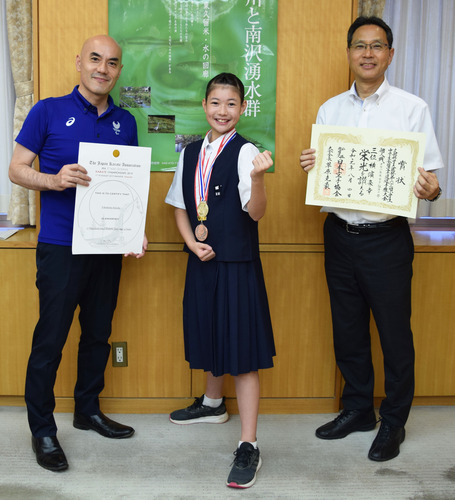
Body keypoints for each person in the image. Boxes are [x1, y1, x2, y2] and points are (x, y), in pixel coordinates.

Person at [300, 16, 444, 462]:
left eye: (376, 46)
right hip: (339, 234)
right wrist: (314, 164)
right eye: (359, 46)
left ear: (390, 54)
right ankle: (358, 409)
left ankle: (394, 421)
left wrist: (430, 190)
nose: (367, 53)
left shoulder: (412, 107)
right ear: (349, 53)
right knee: (348, 329)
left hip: (386, 239)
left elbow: (432, 179)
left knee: (394, 333)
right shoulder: (330, 110)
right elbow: (328, 169)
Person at [9, 35, 147, 472]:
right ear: (79, 63)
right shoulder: (47, 110)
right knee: (50, 338)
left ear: (118, 71)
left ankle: (87, 410)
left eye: (112, 63)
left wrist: (133, 230)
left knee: (97, 333)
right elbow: (16, 169)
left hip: (107, 246)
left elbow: (126, 187)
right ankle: (43, 429)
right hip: (59, 245)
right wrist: (53, 179)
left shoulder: (126, 122)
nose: (102, 69)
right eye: (94, 59)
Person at [165, 73, 275, 488]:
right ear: (205, 105)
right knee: (208, 330)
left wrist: (260, 178)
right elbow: (178, 205)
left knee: (242, 351)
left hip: (237, 263)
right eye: (215, 102)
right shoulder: (191, 151)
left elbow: (257, 213)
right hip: (202, 258)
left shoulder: (247, 153)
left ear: (242, 108)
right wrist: (192, 242)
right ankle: (213, 403)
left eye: (231, 104)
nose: (222, 111)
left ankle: (249, 444)